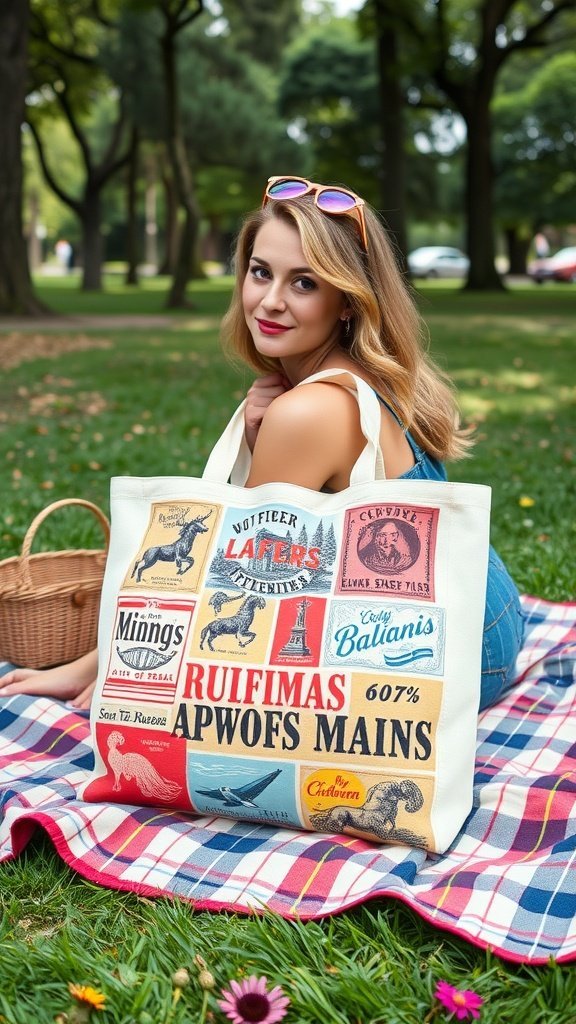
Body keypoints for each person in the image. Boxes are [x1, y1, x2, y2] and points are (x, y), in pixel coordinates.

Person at [0, 174, 525, 712]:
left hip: (450, 657)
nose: (270, 302)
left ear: (346, 300)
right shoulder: (370, 371)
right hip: (492, 609)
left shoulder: (307, 409)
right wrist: (257, 438)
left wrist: (106, 666)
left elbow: (239, 581)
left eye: (304, 283)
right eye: (260, 273)